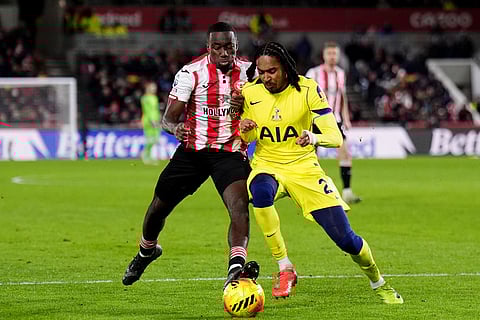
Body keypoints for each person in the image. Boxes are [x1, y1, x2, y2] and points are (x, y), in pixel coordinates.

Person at [239, 41, 403, 304]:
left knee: (346, 240)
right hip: (267, 164)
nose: (267, 77)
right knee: (259, 191)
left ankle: (378, 281)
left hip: (304, 168)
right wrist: (244, 128)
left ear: (285, 68)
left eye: (272, 71)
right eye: (262, 71)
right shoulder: (250, 92)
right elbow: (245, 136)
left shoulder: (307, 88)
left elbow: (334, 137)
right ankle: (285, 267)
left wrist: (313, 137)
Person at [122, 22, 257, 289]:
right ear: (208, 48)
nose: (224, 53)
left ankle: (236, 267)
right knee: (157, 209)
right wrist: (176, 128)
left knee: (239, 206)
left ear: (236, 47)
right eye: (217, 47)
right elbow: (168, 119)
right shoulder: (190, 73)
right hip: (192, 152)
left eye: (228, 47)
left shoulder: (250, 73)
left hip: (229, 152)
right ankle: (146, 251)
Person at [306, 42, 361, 204]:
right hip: (314, 120)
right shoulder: (313, 73)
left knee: (344, 152)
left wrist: (347, 118)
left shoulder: (340, 73)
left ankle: (347, 191)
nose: (332, 56)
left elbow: (342, 97)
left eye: (334, 54)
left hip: (334, 119)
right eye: (329, 53)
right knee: (312, 157)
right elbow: (304, 96)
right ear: (324, 55)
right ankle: (313, 192)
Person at [140, 81, 161, 165]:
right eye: (152, 87)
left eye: (155, 87)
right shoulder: (145, 98)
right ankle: (146, 155)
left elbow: (155, 110)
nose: (154, 89)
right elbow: (148, 110)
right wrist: (152, 120)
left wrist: (158, 118)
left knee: (155, 138)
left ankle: (148, 155)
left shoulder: (155, 98)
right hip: (149, 120)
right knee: (150, 138)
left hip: (156, 119)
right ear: (148, 88)